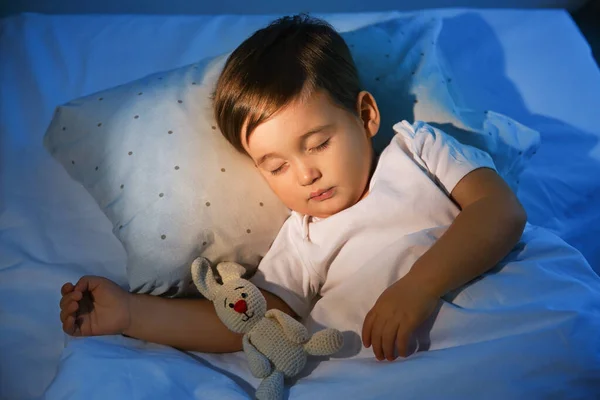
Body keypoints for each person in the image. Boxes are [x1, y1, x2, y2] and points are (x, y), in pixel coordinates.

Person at [59, 14, 526, 362]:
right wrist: (130, 314)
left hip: (507, 322)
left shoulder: (418, 150)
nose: (306, 175)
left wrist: (420, 286)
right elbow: (250, 323)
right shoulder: (301, 241)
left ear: (365, 116)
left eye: (319, 143)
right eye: (276, 166)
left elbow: (499, 211)